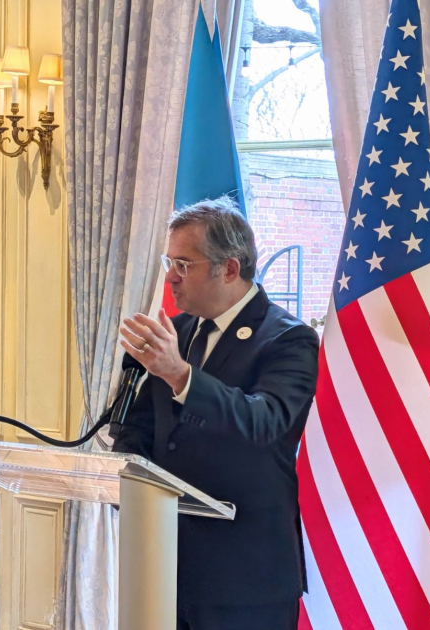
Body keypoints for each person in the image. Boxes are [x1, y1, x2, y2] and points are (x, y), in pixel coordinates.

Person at [112, 196, 319, 630]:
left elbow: (265, 424)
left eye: (183, 264)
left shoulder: (289, 338)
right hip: (166, 565)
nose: (171, 277)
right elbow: (141, 428)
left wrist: (180, 375)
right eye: (169, 262)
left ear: (229, 268)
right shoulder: (178, 332)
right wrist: (127, 480)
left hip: (245, 578)